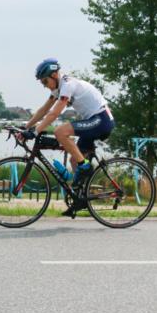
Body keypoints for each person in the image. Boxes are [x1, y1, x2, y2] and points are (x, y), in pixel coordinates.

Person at [21, 58, 114, 215]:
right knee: (74, 160)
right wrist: (26, 127)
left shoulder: (67, 85)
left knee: (60, 132)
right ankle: (80, 200)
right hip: (93, 120)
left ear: (54, 75)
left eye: (45, 81)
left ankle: (86, 166)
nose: (45, 85)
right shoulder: (57, 89)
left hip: (101, 120)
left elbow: (55, 113)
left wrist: (36, 131)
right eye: (42, 83)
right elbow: (44, 110)